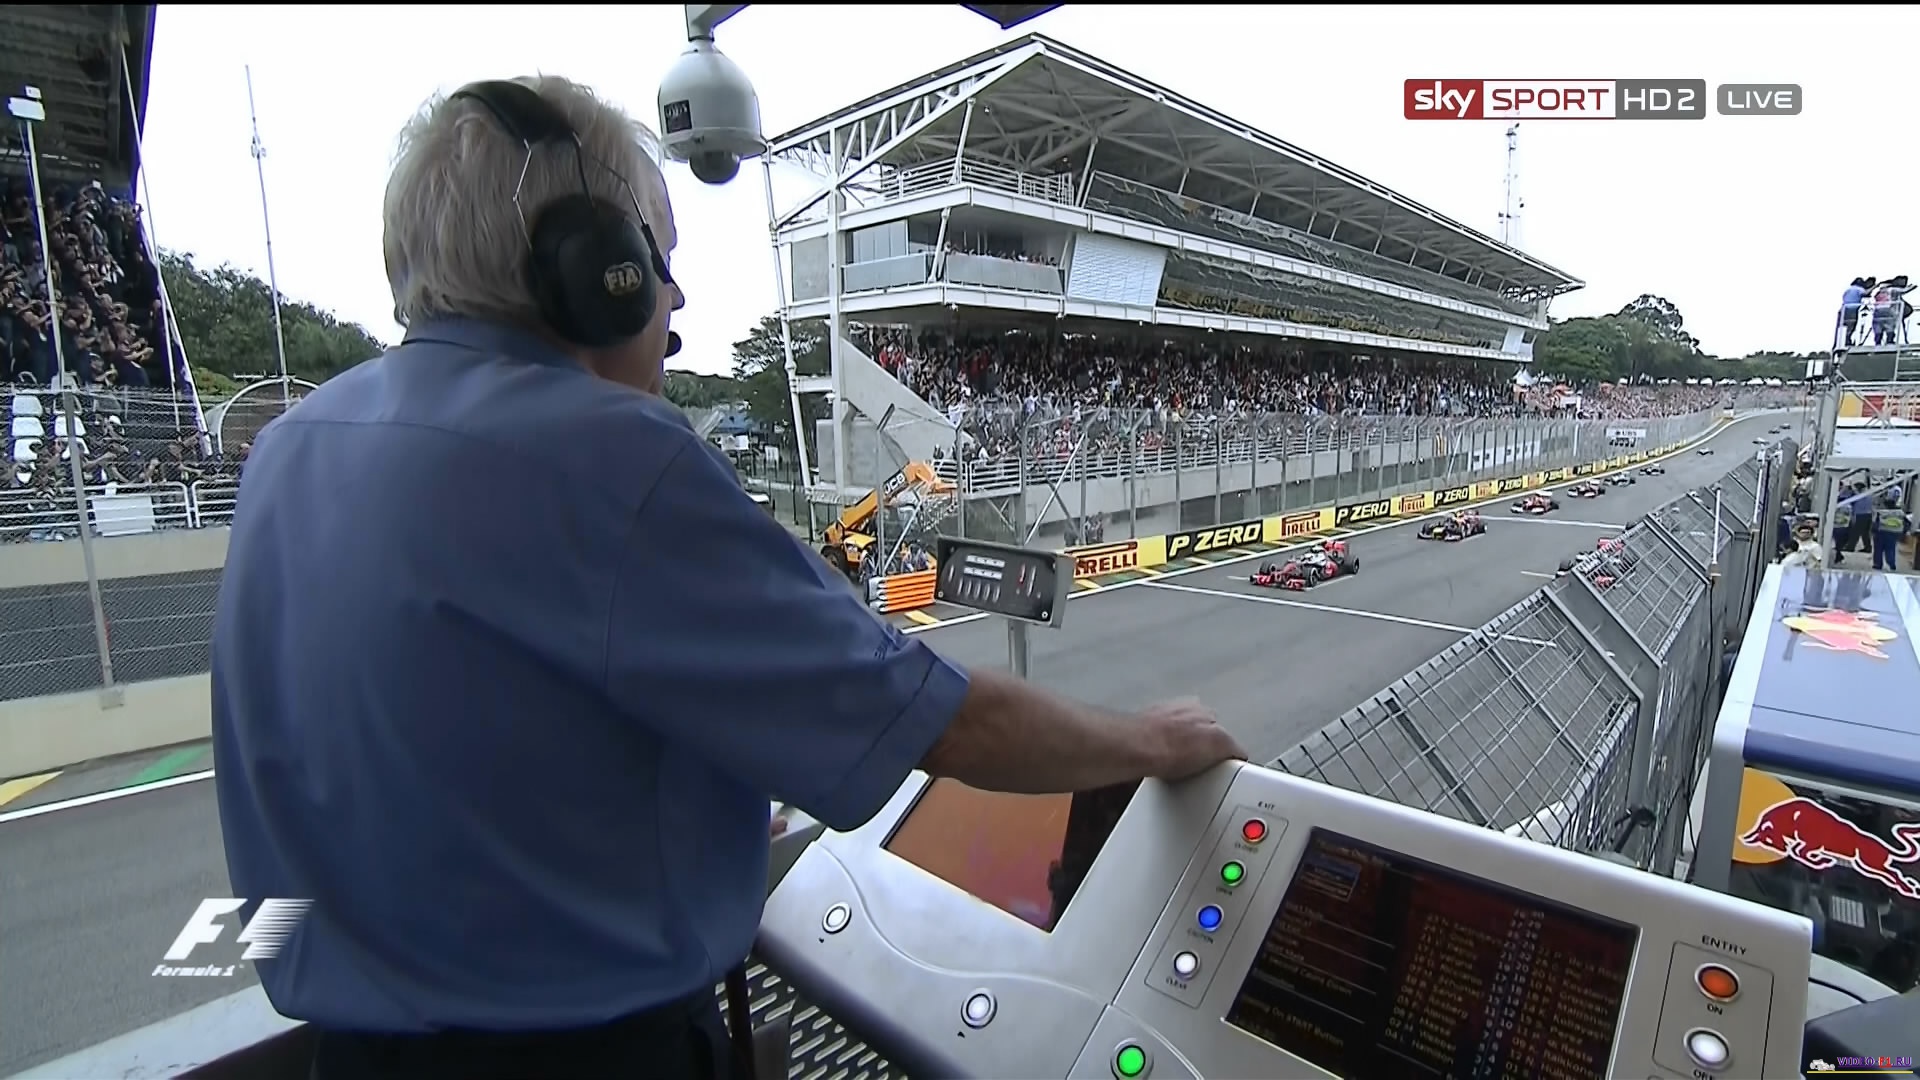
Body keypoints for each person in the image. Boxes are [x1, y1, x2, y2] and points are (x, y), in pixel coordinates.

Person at [208, 75, 1245, 1080]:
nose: (671, 299)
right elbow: (937, 722)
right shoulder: (612, 456)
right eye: (655, 262)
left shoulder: (293, 446)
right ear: (598, 269)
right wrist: (1149, 742)